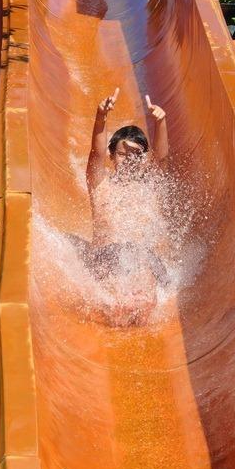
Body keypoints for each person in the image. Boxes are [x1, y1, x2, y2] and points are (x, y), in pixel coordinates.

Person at [85, 88, 169, 324]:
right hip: (107, 256)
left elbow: (161, 159)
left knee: (143, 262)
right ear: (112, 155)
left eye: (136, 156)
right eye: (123, 155)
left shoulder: (150, 186)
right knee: (118, 268)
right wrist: (101, 117)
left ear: (143, 159)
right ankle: (120, 309)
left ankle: (142, 308)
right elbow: (95, 154)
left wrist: (161, 123)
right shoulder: (100, 185)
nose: (129, 161)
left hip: (146, 260)